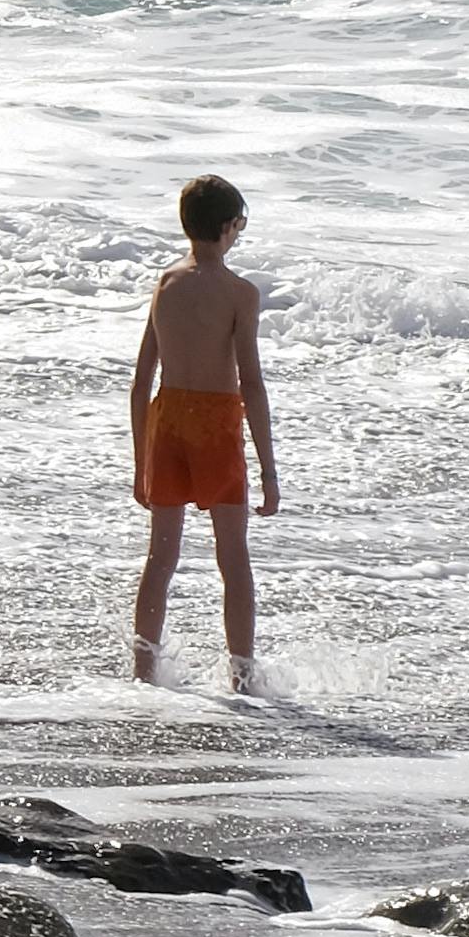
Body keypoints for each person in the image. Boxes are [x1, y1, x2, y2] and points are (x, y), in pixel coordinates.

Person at [126, 170, 280, 682]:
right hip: (215, 424)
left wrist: (140, 462)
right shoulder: (240, 293)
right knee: (232, 559)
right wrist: (269, 471)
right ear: (229, 227)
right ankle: (241, 676)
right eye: (240, 224)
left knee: (161, 556)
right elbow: (252, 384)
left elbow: (142, 378)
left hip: (167, 421)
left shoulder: (166, 284)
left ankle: (143, 671)